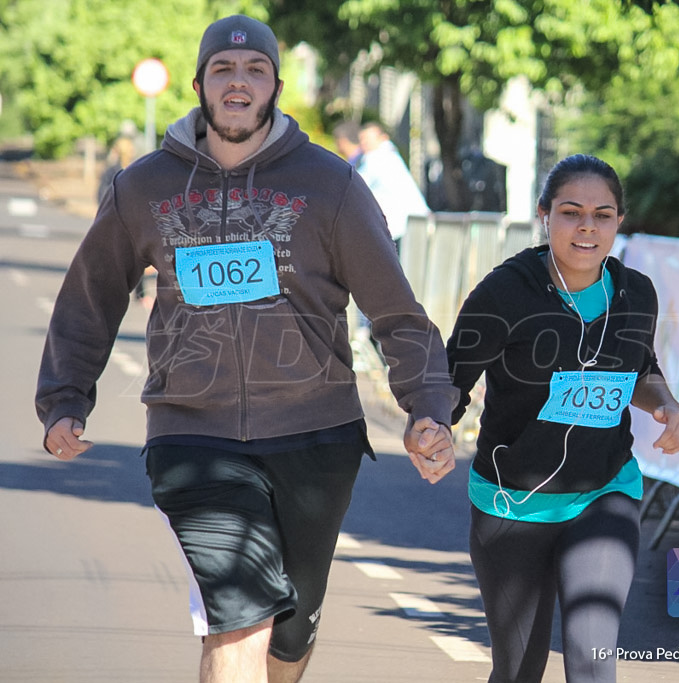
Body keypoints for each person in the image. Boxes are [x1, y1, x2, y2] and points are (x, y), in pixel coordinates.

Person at [36, 15, 457, 683]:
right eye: (225, 70)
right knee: (238, 612)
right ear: (202, 83)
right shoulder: (144, 186)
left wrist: (427, 405)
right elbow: (90, 295)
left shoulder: (331, 185)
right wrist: (65, 397)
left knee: (291, 628)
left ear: (276, 87)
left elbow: (396, 310)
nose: (239, 81)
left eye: (254, 69)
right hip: (191, 434)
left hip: (316, 433)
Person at [446, 154, 679, 683]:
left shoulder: (636, 293)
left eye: (603, 215)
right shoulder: (506, 291)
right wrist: (430, 426)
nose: (587, 226)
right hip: (514, 500)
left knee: (592, 659)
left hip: (604, 490)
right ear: (545, 215)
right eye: (571, 212)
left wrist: (666, 406)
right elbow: (450, 379)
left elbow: (640, 371)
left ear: (619, 221)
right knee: (519, 670)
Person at [356, 121, 429, 251]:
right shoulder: (391, 156)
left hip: (400, 228)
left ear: (382, 138)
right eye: (361, 140)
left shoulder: (376, 158)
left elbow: (354, 186)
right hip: (415, 224)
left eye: (367, 139)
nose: (363, 144)